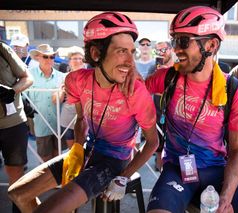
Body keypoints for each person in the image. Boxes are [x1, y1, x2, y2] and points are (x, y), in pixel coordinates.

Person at [138, 6, 238, 213]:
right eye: (174, 41)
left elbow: (236, 150)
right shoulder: (168, 77)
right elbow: (132, 91)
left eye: (183, 42)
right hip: (176, 171)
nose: (176, 49)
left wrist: (226, 197)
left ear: (211, 45)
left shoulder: (232, 89)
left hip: (217, 171)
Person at [8, 11, 158, 213]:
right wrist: (77, 149)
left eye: (132, 52)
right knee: (17, 193)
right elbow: (81, 119)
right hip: (88, 149)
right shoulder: (76, 80)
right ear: (96, 54)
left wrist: (124, 177)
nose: (131, 62)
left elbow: (153, 141)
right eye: (122, 51)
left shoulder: (135, 91)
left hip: (115, 160)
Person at [0, 42, 33, 212]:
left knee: (16, 173)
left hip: (12, 124)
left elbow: (28, 78)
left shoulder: (2, 49)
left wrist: (12, 91)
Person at [25, 44, 66, 162]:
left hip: (58, 124)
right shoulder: (29, 76)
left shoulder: (62, 77)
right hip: (40, 125)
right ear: (38, 57)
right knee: (44, 160)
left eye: (52, 57)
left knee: (57, 157)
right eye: (45, 56)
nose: (49, 60)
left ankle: (55, 181)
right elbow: (22, 99)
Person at [148, 41, 175, 171]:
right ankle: (160, 172)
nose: (160, 54)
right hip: (158, 110)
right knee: (158, 146)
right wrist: (157, 75)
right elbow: (149, 89)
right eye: (157, 51)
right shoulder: (153, 68)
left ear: (170, 50)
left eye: (163, 50)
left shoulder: (178, 67)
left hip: (173, 110)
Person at [60, 46, 86, 149]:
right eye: (75, 58)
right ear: (69, 61)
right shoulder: (63, 77)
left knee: (84, 149)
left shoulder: (89, 76)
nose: (78, 61)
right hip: (68, 117)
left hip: (85, 118)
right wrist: (62, 90)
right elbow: (59, 99)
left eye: (80, 58)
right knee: (72, 151)